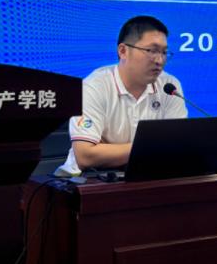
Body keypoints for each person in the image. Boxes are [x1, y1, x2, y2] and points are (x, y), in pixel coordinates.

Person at [55, 15, 186, 177]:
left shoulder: (170, 86)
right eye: (152, 51)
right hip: (86, 179)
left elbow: (176, 145)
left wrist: (108, 150)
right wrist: (155, 146)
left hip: (143, 175)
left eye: (164, 52)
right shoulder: (94, 86)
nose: (159, 60)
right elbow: (85, 156)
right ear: (123, 51)